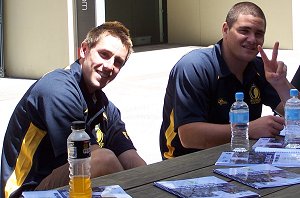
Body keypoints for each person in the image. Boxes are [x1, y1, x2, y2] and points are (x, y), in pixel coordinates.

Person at [1, 21, 146, 197]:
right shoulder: (57, 88)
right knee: (102, 160)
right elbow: (97, 162)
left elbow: (130, 157)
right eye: (104, 54)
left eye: (117, 62)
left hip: (70, 184)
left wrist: (152, 179)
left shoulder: (105, 106)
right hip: (27, 192)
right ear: (84, 50)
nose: (109, 66)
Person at [160, 2, 293, 160]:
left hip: (238, 156)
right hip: (185, 164)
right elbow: (189, 137)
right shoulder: (194, 66)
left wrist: (280, 83)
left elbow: (296, 113)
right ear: (225, 29)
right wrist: (248, 130)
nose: (252, 39)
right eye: (244, 31)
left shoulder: (259, 68)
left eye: (259, 34)